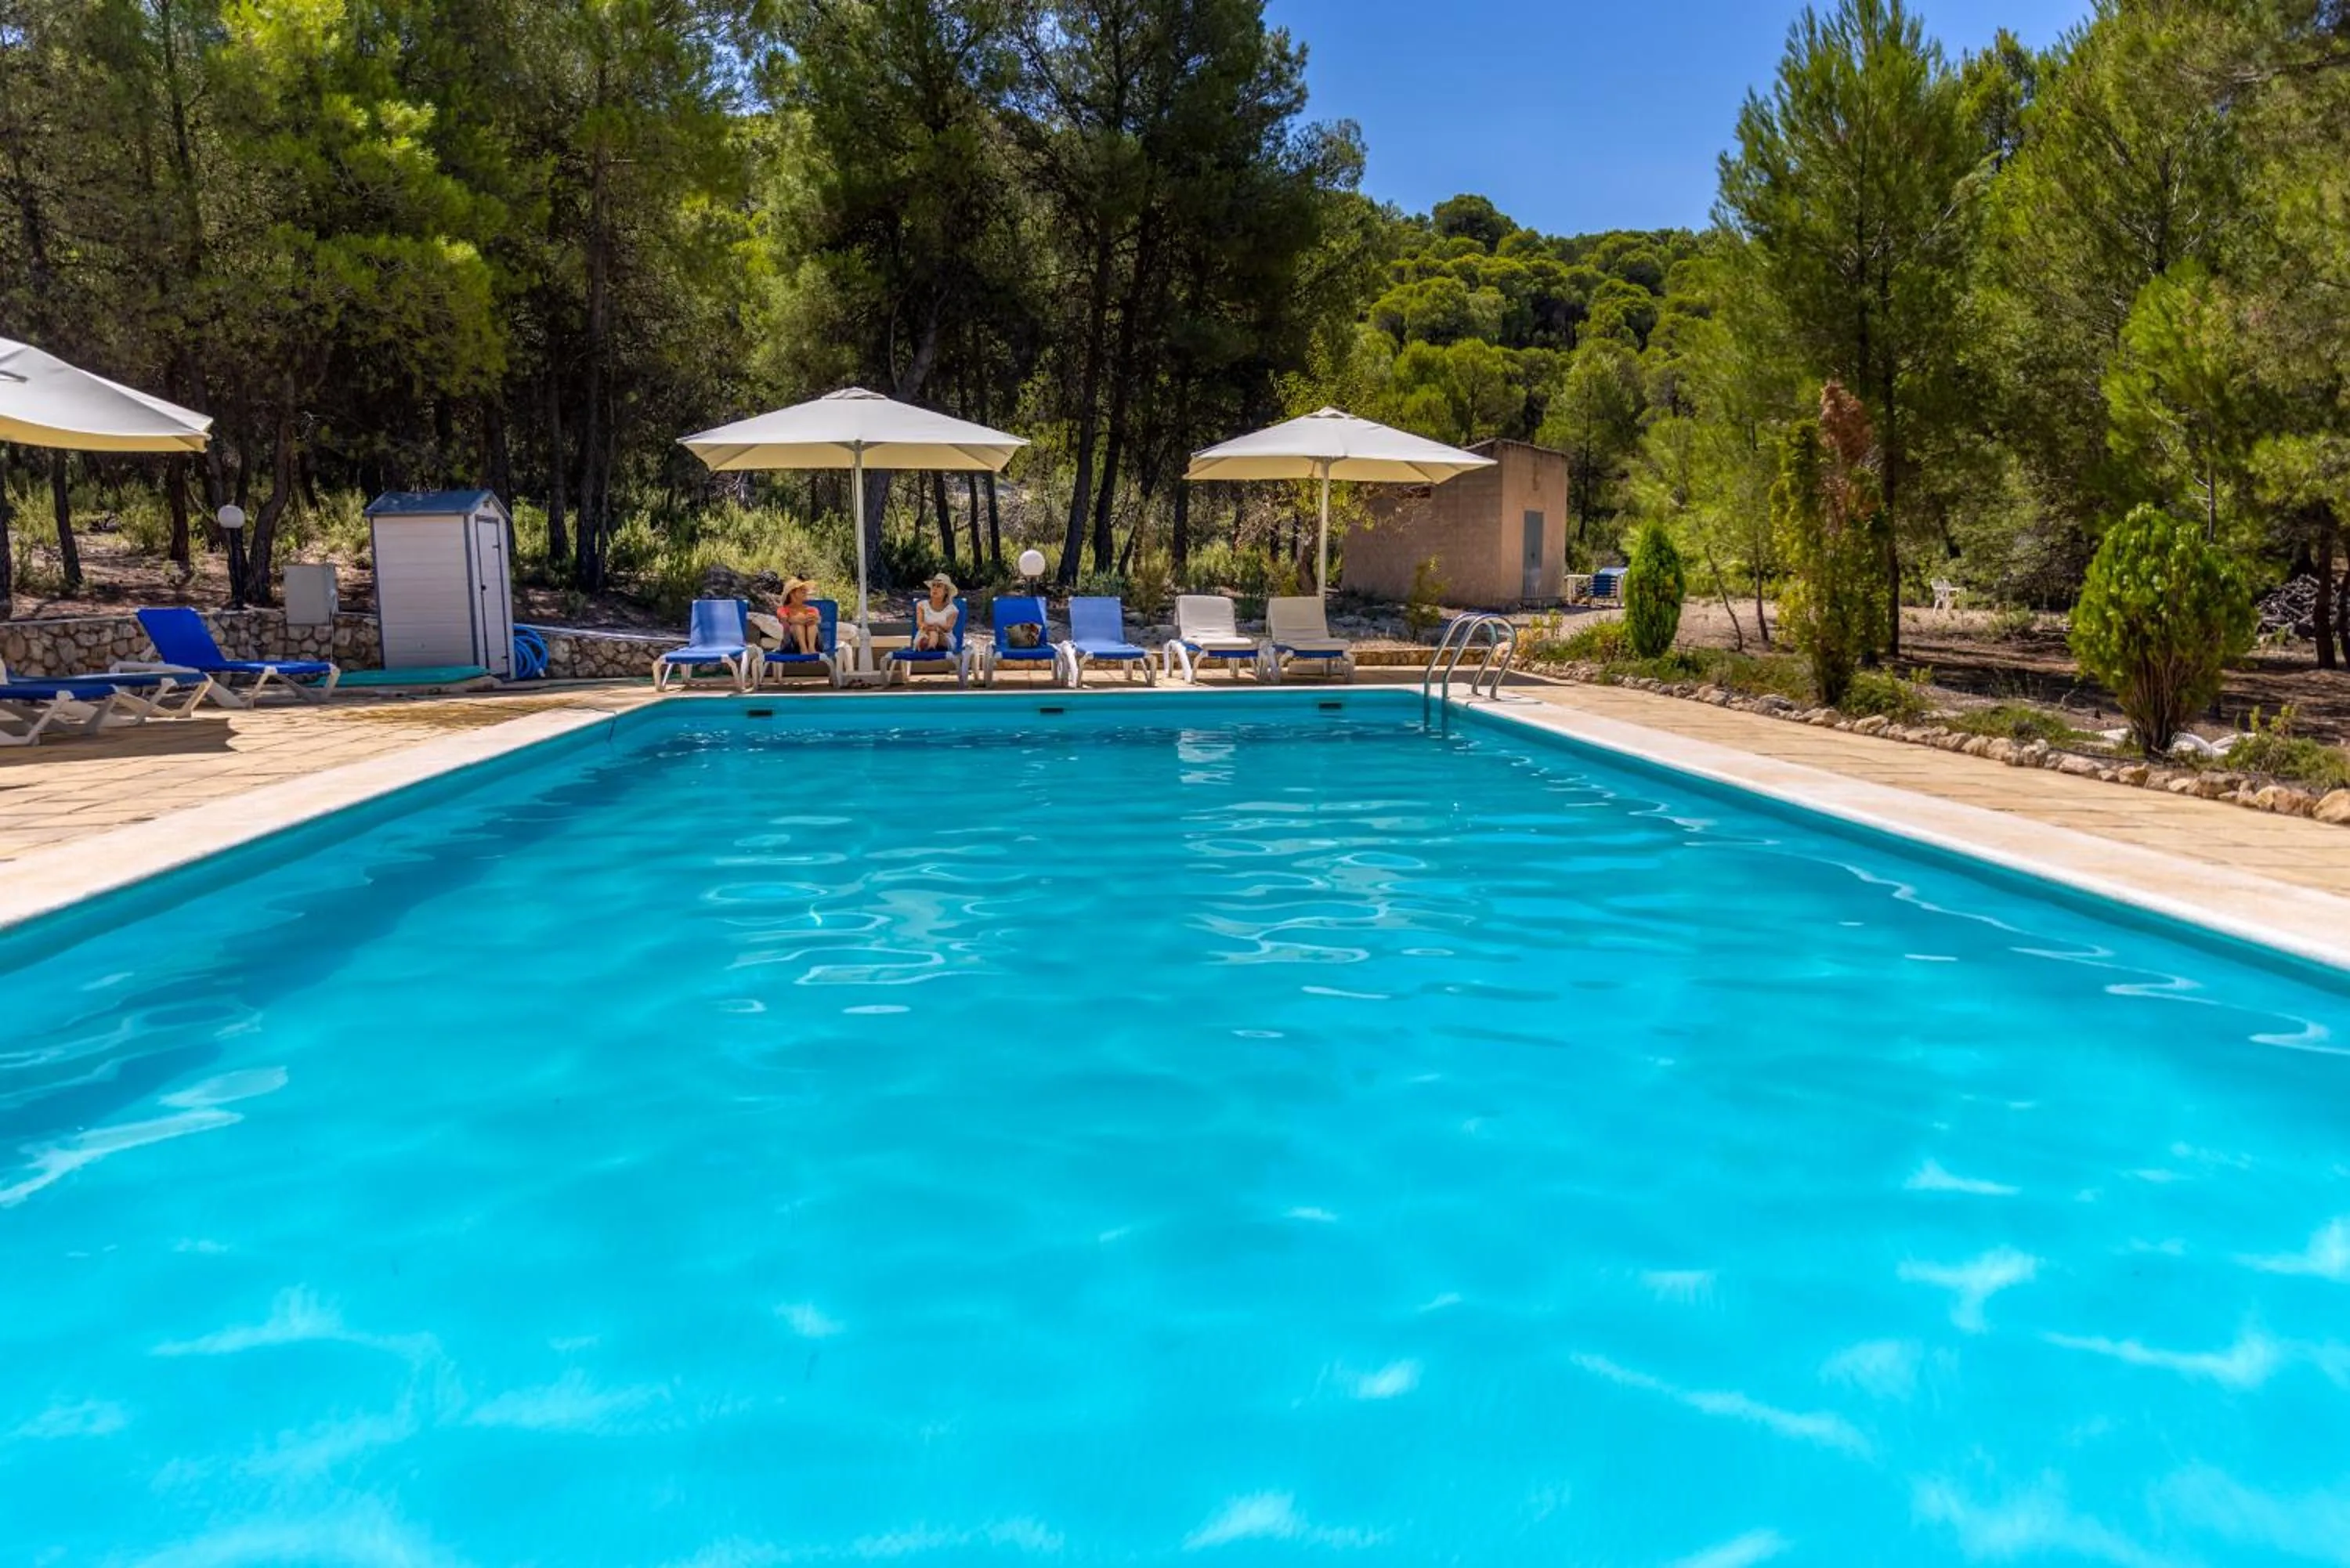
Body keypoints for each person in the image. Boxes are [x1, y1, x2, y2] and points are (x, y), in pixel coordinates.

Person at [914, 573, 960, 652]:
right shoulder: (921, 605)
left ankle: (931, 648)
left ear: (946, 591)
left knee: (936, 634)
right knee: (931, 634)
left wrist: (937, 628)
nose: (935, 588)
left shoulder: (952, 610)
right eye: (933, 585)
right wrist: (929, 628)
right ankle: (931, 647)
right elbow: (919, 623)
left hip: (944, 637)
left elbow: (948, 628)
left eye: (939, 586)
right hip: (925, 634)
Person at [776, 579, 822, 655]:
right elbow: (783, 619)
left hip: (813, 641)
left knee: (812, 624)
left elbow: (818, 620)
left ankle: (811, 648)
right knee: (798, 624)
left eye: (805, 590)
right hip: (792, 643)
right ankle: (803, 649)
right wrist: (794, 619)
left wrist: (812, 619)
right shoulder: (783, 609)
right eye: (801, 590)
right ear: (792, 593)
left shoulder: (812, 609)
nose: (805, 592)